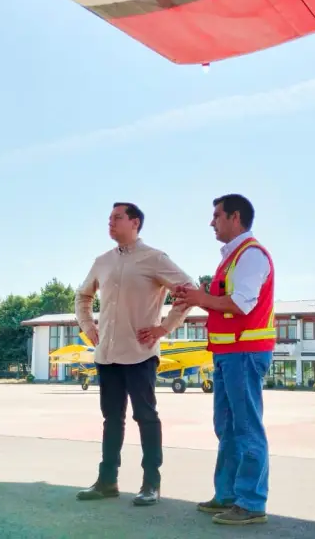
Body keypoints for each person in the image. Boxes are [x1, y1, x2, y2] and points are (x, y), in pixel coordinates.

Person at [74, 202, 196, 507]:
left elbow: (189, 290)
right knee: (111, 419)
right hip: (107, 355)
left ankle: (151, 483)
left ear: (135, 223)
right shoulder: (102, 261)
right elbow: (83, 295)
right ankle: (107, 481)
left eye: (117, 218)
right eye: (109, 219)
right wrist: (88, 325)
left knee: (145, 416)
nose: (110, 223)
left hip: (140, 353)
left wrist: (164, 328)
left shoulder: (154, 258)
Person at [171, 193, 274, 525]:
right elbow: (226, 302)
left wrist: (204, 298)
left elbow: (242, 304)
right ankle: (229, 495)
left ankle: (251, 502)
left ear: (235, 217)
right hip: (229, 353)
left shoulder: (251, 255)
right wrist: (201, 298)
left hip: (244, 353)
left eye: (216, 215)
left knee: (245, 428)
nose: (211, 222)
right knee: (227, 427)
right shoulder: (232, 258)